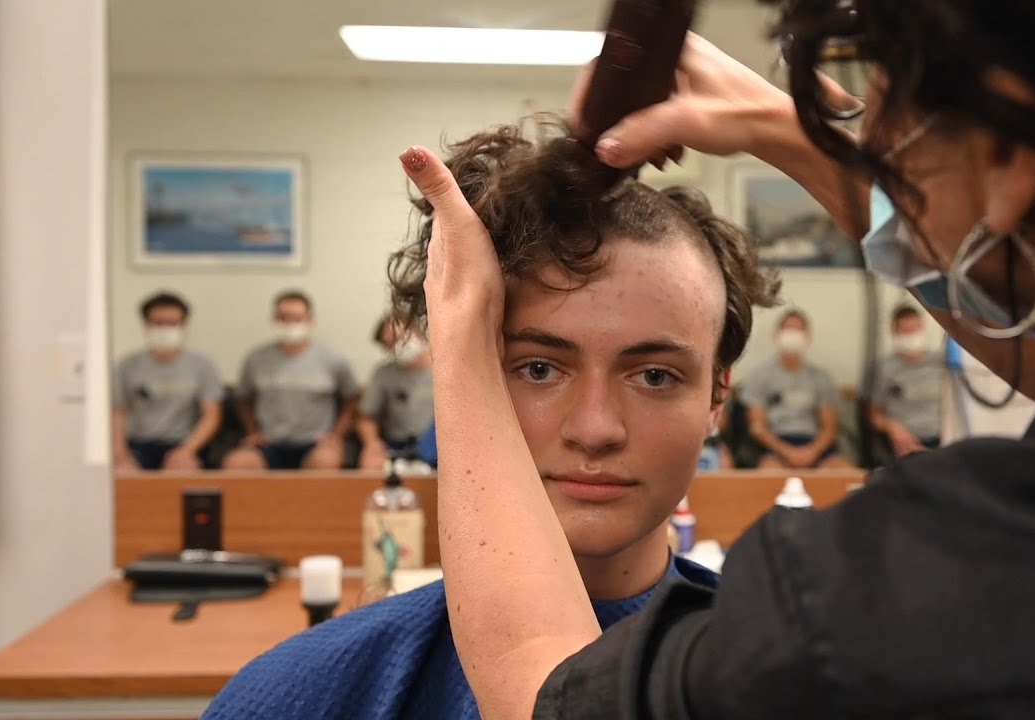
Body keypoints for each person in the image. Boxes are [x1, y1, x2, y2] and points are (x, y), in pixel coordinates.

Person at [403, 0, 1035, 716]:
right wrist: (797, 136)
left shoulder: (979, 580)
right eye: (539, 365)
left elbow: (543, 691)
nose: (871, 136)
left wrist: (468, 348)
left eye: (882, 104)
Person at [202, 118, 779, 719]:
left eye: (655, 376)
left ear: (718, 398)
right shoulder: (306, 693)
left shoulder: (792, 685)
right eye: (537, 369)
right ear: (464, 380)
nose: (595, 428)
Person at [221, 290, 359, 470]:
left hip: (315, 443)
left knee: (326, 462)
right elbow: (242, 398)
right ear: (274, 319)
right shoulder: (256, 359)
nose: (290, 324)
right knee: (237, 463)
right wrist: (253, 431)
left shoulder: (333, 359)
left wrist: (336, 435)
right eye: (284, 318)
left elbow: (353, 399)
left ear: (310, 320)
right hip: (269, 442)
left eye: (297, 318)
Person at [111, 292, 222, 470]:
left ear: (184, 325)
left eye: (172, 323)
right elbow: (117, 412)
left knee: (182, 472)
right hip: (138, 445)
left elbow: (211, 417)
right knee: (123, 473)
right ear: (146, 325)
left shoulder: (202, 366)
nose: (165, 329)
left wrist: (185, 451)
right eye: (158, 323)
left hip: (184, 444)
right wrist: (119, 453)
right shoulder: (126, 366)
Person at [739, 308, 849, 468]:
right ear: (777, 335)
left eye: (798, 330)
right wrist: (787, 452)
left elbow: (830, 428)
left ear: (808, 337)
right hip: (775, 446)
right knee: (769, 474)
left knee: (845, 472)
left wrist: (811, 452)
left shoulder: (821, 378)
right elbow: (758, 427)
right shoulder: (760, 376)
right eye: (788, 329)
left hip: (814, 445)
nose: (792, 335)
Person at [357, 313, 435, 470]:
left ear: (417, 332)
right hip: (398, 446)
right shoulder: (383, 374)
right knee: (370, 464)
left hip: (441, 445)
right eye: (390, 344)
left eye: (400, 338)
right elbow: (366, 417)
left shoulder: (446, 368)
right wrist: (372, 444)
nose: (398, 346)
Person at [870, 304, 944, 456]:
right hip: (905, 442)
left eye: (915, 330)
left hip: (944, 438)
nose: (912, 336)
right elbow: (874, 415)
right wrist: (893, 428)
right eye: (906, 331)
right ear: (894, 333)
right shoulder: (885, 369)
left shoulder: (943, 363)